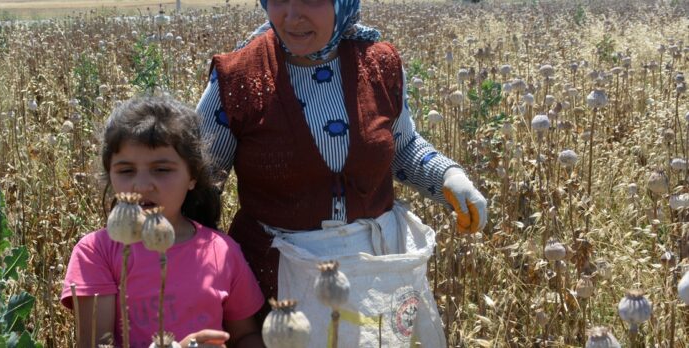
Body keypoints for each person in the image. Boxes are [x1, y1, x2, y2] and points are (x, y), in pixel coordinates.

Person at [197, 0, 488, 345]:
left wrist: (449, 178)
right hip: (277, 281)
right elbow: (200, 182)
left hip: (373, 277)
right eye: (278, 0)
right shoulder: (238, 78)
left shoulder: (379, 64)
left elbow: (403, 147)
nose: (291, 16)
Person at [61, 96, 265, 348]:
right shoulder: (96, 252)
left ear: (192, 177)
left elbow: (245, 336)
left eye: (162, 170)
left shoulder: (222, 251)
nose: (143, 185)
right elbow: (95, 345)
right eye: (126, 171)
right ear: (110, 175)